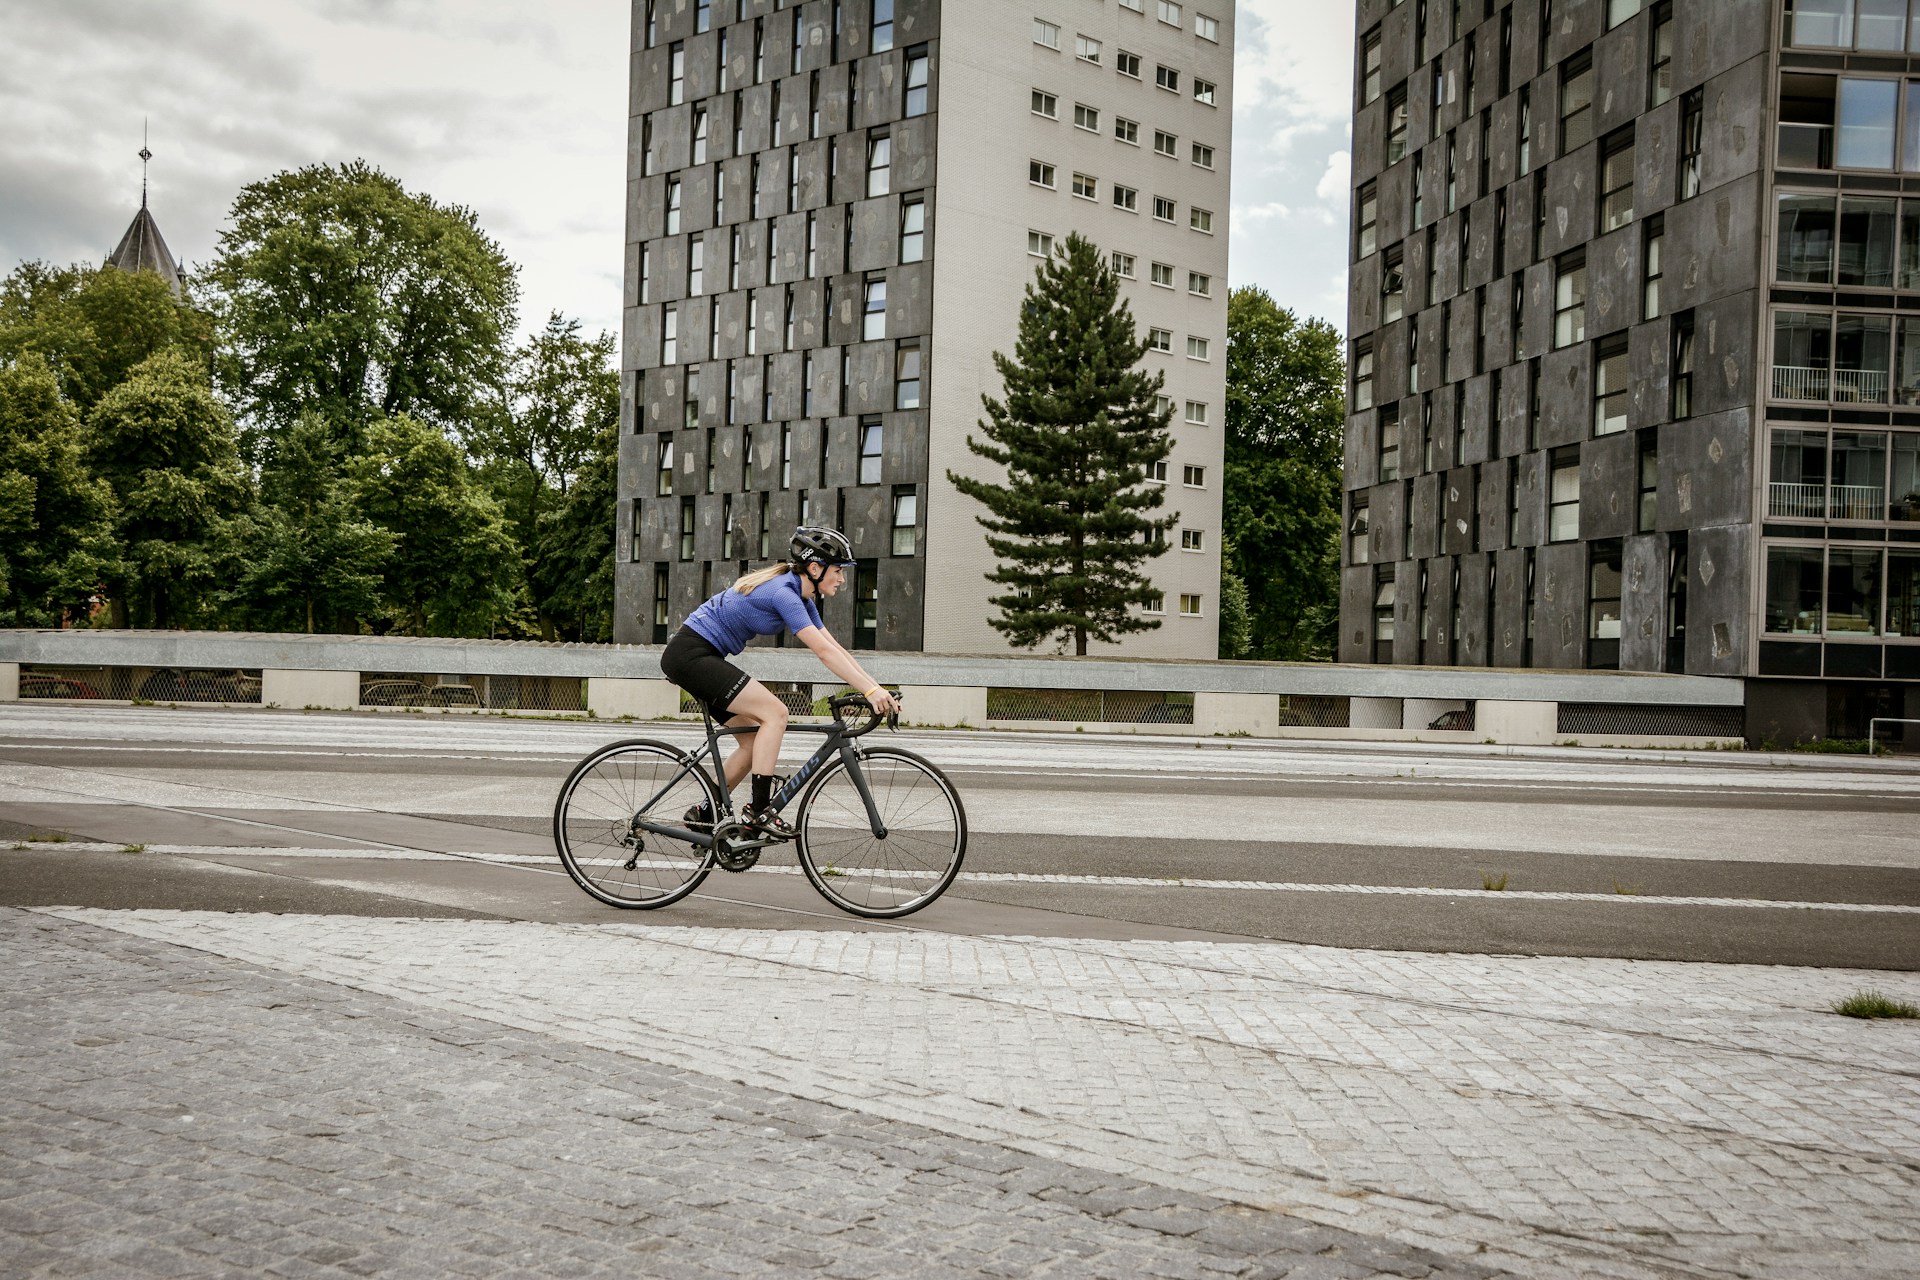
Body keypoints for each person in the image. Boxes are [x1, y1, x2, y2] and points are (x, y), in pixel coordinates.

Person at [658, 526, 901, 839]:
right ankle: (759, 811)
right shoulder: (783, 593)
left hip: (699, 656)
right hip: (690, 656)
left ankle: (705, 813)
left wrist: (875, 688)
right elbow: (824, 653)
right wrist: (869, 691)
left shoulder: (800, 596)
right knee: (776, 713)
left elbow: (836, 649)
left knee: (753, 738)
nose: (841, 579)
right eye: (838, 571)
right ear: (815, 568)